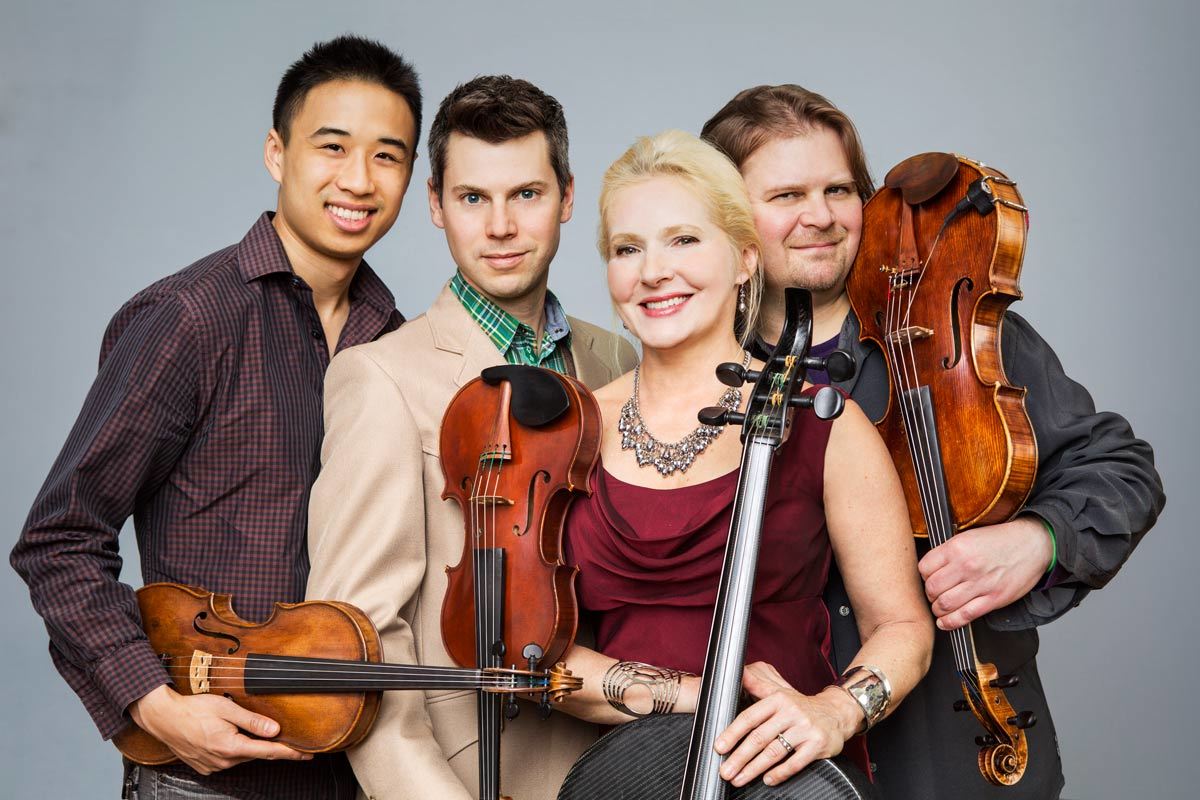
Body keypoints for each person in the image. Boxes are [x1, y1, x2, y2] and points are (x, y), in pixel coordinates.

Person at [701, 84, 1166, 798]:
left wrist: (1038, 541)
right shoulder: (691, 370)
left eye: (839, 189)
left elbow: (1120, 468)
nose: (820, 217)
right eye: (787, 195)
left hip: (958, 748)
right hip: (777, 770)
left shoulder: (953, 330)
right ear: (727, 215)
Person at [10, 35, 422, 799]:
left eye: (387, 156)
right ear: (277, 152)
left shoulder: (401, 343)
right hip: (205, 782)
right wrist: (152, 704)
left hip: (358, 771)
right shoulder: (190, 318)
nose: (358, 181)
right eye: (332, 147)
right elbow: (60, 536)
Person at [551, 129, 933, 790]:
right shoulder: (570, 429)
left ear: (744, 259)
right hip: (619, 781)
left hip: (786, 778)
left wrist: (837, 711)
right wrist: (705, 697)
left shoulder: (824, 422)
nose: (652, 272)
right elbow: (531, 656)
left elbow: (903, 627)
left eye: (684, 240)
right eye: (627, 248)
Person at [304, 75, 639, 800]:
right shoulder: (380, 378)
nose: (501, 227)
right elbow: (360, 645)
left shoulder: (624, 360)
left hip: (626, 770)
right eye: (472, 199)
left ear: (568, 198)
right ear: (436, 205)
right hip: (475, 780)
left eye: (526, 194)